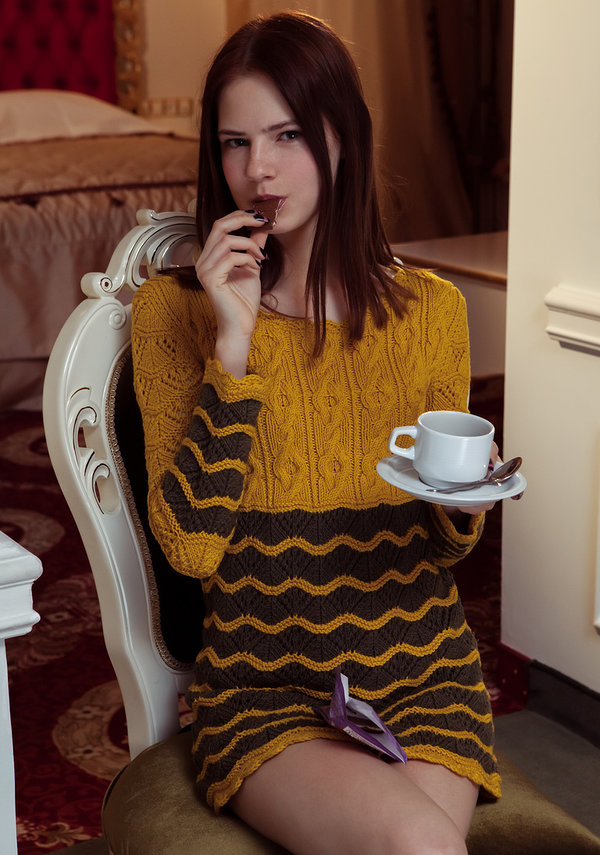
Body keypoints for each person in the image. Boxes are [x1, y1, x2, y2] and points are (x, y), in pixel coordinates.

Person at [131, 11, 502, 855]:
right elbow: (190, 548)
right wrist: (234, 348)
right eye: (234, 142)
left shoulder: (432, 312)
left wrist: (465, 502)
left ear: (344, 136)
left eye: (287, 134)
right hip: (267, 692)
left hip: (426, 677)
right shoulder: (172, 314)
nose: (256, 169)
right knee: (421, 845)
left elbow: (442, 548)